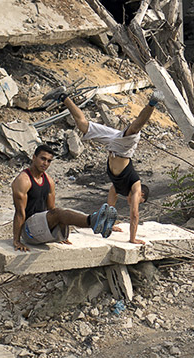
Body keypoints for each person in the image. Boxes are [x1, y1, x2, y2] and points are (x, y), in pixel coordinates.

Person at [52, 88, 159, 245]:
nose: (133, 202)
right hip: (123, 149)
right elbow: (134, 214)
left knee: (83, 126)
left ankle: (63, 97)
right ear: (141, 194)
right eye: (139, 200)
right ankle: (152, 102)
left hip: (113, 143)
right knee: (135, 127)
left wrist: (111, 223)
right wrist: (132, 238)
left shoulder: (119, 188)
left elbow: (110, 204)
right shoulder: (135, 186)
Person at [11, 144, 117, 251]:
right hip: (29, 231)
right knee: (60, 213)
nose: (45, 163)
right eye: (43, 159)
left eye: (49, 161)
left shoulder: (49, 181)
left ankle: (98, 223)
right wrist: (17, 241)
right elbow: (20, 213)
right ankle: (93, 221)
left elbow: (51, 210)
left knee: (63, 212)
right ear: (34, 157)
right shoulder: (23, 181)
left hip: (42, 226)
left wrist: (59, 234)